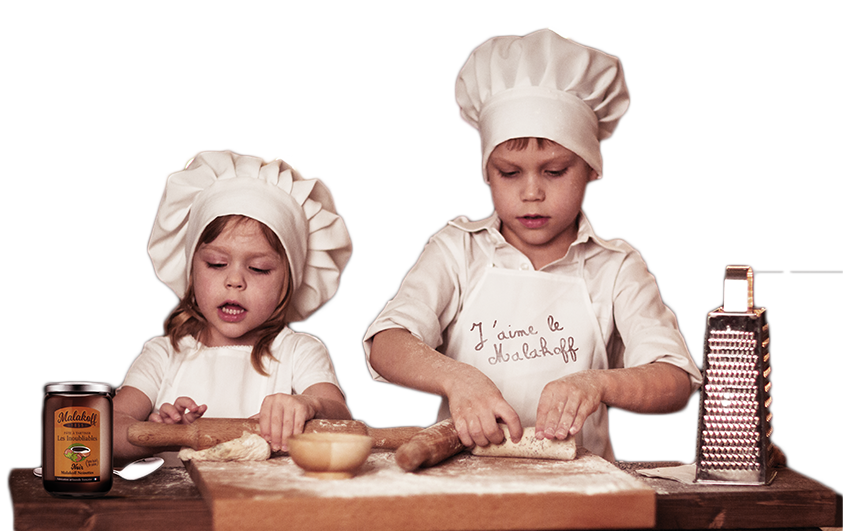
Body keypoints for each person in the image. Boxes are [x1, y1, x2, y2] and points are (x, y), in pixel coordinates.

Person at [363, 29, 702, 460]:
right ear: (487, 171)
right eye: (509, 172)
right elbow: (387, 344)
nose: (531, 193)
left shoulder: (615, 267)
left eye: (555, 171)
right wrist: (457, 378)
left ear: (591, 169)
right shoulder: (458, 251)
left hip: (581, 490)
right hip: (465, 484)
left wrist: (596, 382)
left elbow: (673, 381)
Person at [113, 151, 353, 462]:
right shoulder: (164, 355)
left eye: (259, 269)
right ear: (191, 270)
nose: (235, 281)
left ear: (288, 282)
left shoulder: (298, 352)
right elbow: (109, 430)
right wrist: (161, 435)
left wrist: (310, 405)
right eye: (216, 264)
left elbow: (342, 420)